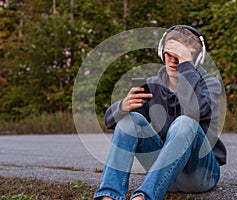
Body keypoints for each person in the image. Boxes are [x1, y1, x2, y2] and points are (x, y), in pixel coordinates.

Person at [94, 25, 227, 200]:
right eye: (169, 54)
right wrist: (122, 107)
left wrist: (186, 67)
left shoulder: (210, 84)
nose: (174, 61)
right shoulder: (152, 85)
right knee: (130, 120)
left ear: (197, 58)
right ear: (160, 52)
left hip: (200, 175)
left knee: (185, 122)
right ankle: (109, 196)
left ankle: (144, 197)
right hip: (164, 173)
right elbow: (110, 122)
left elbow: (194, 111)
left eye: (181, 56)